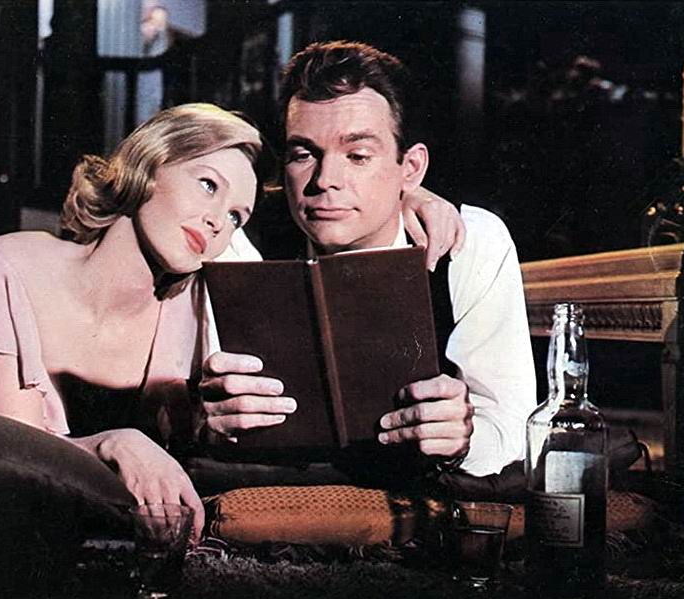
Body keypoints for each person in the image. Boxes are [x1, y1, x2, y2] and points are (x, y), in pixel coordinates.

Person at [0, 101, 463, 536]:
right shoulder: (6, 269)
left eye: (236, 216)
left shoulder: (204, 298)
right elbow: (16, 454)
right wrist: (119, 442)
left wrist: (411, 196)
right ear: (150, 166)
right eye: (206, 186)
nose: (217, 222)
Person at [198, 41, 536, 480]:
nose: (326, 180)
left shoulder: (469, 241)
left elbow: (512, 426)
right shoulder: (239, 236)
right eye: (304, 154)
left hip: (418, 498)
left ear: (410, 169)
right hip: (275, 492)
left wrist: (465, 439)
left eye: (357, 156)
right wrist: (209, 419)